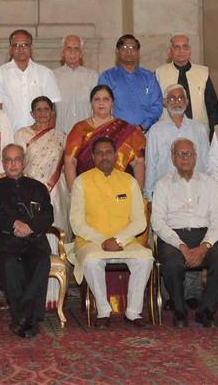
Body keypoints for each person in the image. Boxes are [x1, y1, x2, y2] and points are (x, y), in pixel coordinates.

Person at [70, 137, 151, 327]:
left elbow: (140, 221)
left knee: (145, 258)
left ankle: (133, 312)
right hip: (91, 242)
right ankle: (103, 311)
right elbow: (77, 223)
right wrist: (103, 241)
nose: (104, 156)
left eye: (108, 152)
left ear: (116, 155)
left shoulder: (129, 181)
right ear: (93, 157)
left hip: (124, 242)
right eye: (99, 153)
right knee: (92, 260)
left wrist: (119, 240)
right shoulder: (82, 181)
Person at [151, 138, 218, 328]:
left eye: (189, 153)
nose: (185, 158)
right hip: (173, 238)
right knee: (171, 264)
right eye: (180, 154)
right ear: (173, 158)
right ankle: (179, 311)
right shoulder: (163, 185)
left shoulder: (209, 183)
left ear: (195, 157)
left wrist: (204, 247)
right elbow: (158, 223)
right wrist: (182, 247)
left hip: (205, 237)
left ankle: (205, 310)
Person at [0, 144, 55, 338]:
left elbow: (48, 216)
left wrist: (29, 227)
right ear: (3, 163)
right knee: (9, 264)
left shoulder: (38, 188)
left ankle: (22, 316)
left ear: (24, 162)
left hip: (34, 240)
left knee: (42, 261)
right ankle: (28, 318)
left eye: (17, 160)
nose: (13, 164)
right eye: (8, 160)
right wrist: (14, 223)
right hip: (6, 241)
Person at [63, 84, 146, 193]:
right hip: (88, 190)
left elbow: (138, 162)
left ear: (112, 103)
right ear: (91, 104)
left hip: (121, 190)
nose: (101, 103)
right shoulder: (80, 129)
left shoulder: (126, 129)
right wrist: (74, 192)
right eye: (97, 99)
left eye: (106, 99)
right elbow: (70, 161)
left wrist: (138, 194)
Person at [14, 96, 68, 233]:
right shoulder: (22, 134)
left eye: (46, 109)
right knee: (32, 225)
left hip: (55, 189)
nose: (42, 113)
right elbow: (17, 163)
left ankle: (58, 253)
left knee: (57, 226)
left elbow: (66, 164)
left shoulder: (62, 135)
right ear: (32, 113)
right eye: (38, 110)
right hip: (31, 188)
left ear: (52, 112)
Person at [145, 84, 210, 197]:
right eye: (172, 98)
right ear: (165, 102)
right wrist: (150, 196)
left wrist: (209, 189)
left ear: (187, 102)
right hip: (166, 192)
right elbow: (151, 164)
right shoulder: (156, 130)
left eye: (180, 98)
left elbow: (207, 161)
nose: (176, 102)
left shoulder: (199, 129)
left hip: (196, 190)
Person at [0, 29, 61, 132]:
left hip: (39, 136)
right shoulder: (0, 72)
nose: (21, 49)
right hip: (10, 136)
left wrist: (47, 137)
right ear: (11, 49)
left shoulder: (45, 73)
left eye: (25, 45)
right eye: (16, 45)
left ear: (31, 48)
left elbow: (52, 110)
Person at [156, 34, 218, 134]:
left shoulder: (203, 73)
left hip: (198, 132)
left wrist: (214, 134)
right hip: (167, 132)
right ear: (170, 52)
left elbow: (212, 108)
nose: (181, 51)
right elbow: (154, 105)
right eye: (177, 47)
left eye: (185, 47)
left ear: (190, 51)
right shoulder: (159, 73)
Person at [98, 34, 163, 131]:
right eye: (125, 47)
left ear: (138, 52)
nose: (129, 51)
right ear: (117, 51)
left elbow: (156, 106)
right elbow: (102, 106)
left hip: (145, 133)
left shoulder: (149, 77)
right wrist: (118, 128)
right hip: (115, 133)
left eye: (133, 48)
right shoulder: (107, 77)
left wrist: (142, 127)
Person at [53, 34, 98, 131]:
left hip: (87, 133)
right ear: (63, 53)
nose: (72, 52)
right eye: (68, 48)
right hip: (61, 133)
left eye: (76, 49)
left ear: (81, 54)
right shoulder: (53, 76)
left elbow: (98, 107)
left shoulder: (93, 76)